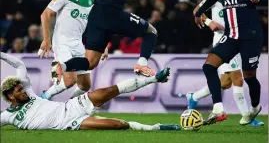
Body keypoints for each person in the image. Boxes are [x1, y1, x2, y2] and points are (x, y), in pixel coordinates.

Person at [0, 52, 179, 131]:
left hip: (69, 107)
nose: (23, 91)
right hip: (69, 124)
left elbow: (19, 65)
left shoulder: (29, 94)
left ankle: (155, 78)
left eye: (22, 88)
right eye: (18, 90)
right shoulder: (6, 116)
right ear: (10, 96)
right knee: (119, 125)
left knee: (109, 90)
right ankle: (157, 128)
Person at [194, 0, 267, 125]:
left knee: (249, 77)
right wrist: (198, 12)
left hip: (251, 36)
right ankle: (218, 108)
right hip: (231, 36)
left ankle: (255, 107)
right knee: (209, 67)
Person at [38, 0, 108, 100]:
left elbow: (95, 25)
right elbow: (46, 14)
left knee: (85, 85)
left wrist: (103, 45)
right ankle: (46, 95)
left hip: (77, 43)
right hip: (62, 42)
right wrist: (46, 39)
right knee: (70, 80)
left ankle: (72, 106)